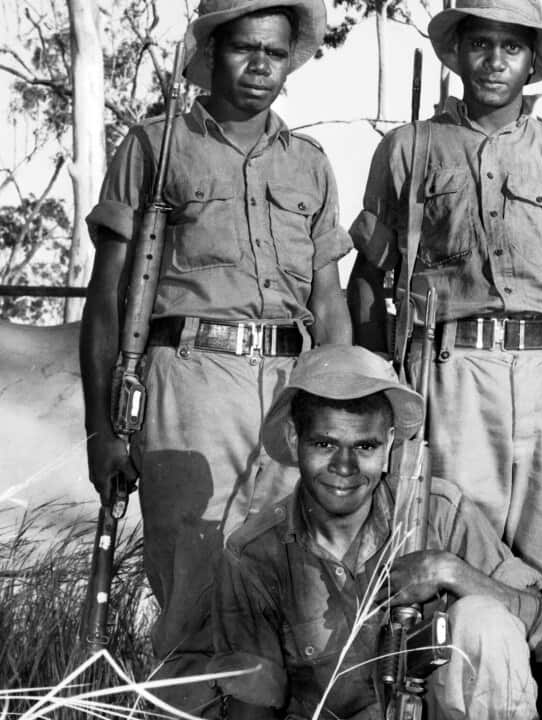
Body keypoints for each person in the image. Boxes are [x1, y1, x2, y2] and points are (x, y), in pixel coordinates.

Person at [79, 0, 351, 709]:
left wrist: (344, 405)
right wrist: (103, 429)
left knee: (304, 603)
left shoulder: (311, 166)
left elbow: (328, 301)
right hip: (192, 383)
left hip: (294, 390)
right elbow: (107, 299)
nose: (261, 65)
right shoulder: (156, 146)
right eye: (245, 49)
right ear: (213, 52)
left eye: (275, 52)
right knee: (197, 602)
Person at [346, 0, 542, 642]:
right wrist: (385, 392)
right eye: (482, 44)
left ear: (532, 62)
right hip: (448, 372)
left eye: (512, 47)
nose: (495, 61)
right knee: (449, 563)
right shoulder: (410, 150)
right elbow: (366, 280)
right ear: (458, 51)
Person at [210, 344, 542, 720]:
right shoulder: (254, 555)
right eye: (325, 444)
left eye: (364, 446)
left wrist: (450, 572)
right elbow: (252, 708)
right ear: (295, 438)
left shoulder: (439, 512)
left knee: (483, 622)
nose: (344, 466)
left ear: (390, 443)